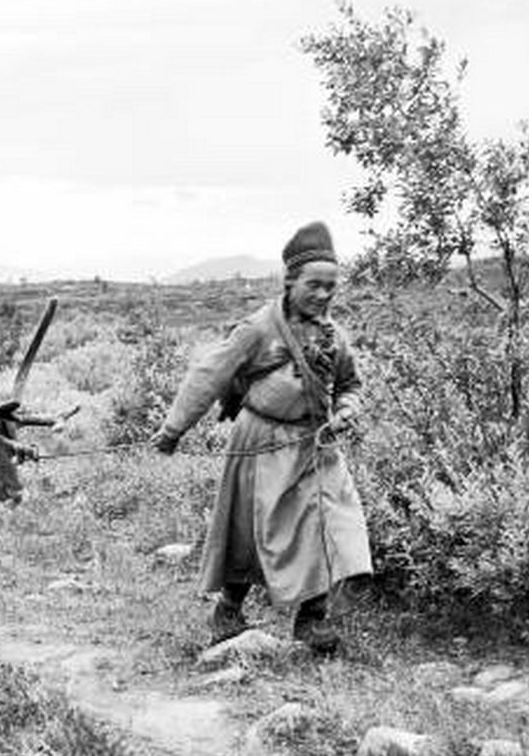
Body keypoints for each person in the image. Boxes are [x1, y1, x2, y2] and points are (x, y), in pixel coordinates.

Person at [151, 221, 372, 655]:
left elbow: (350, 385)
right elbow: (208, 375)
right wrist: (173, 429)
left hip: (315, 444)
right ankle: (229, 610)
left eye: (331, 286)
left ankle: (312, 620)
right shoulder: (257, 329)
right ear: (290, 282)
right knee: (250, 529)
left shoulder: (335, 336)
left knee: (333, 522)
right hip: (260, 440)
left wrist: (347, 409)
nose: (324, 295)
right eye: (314, 285)